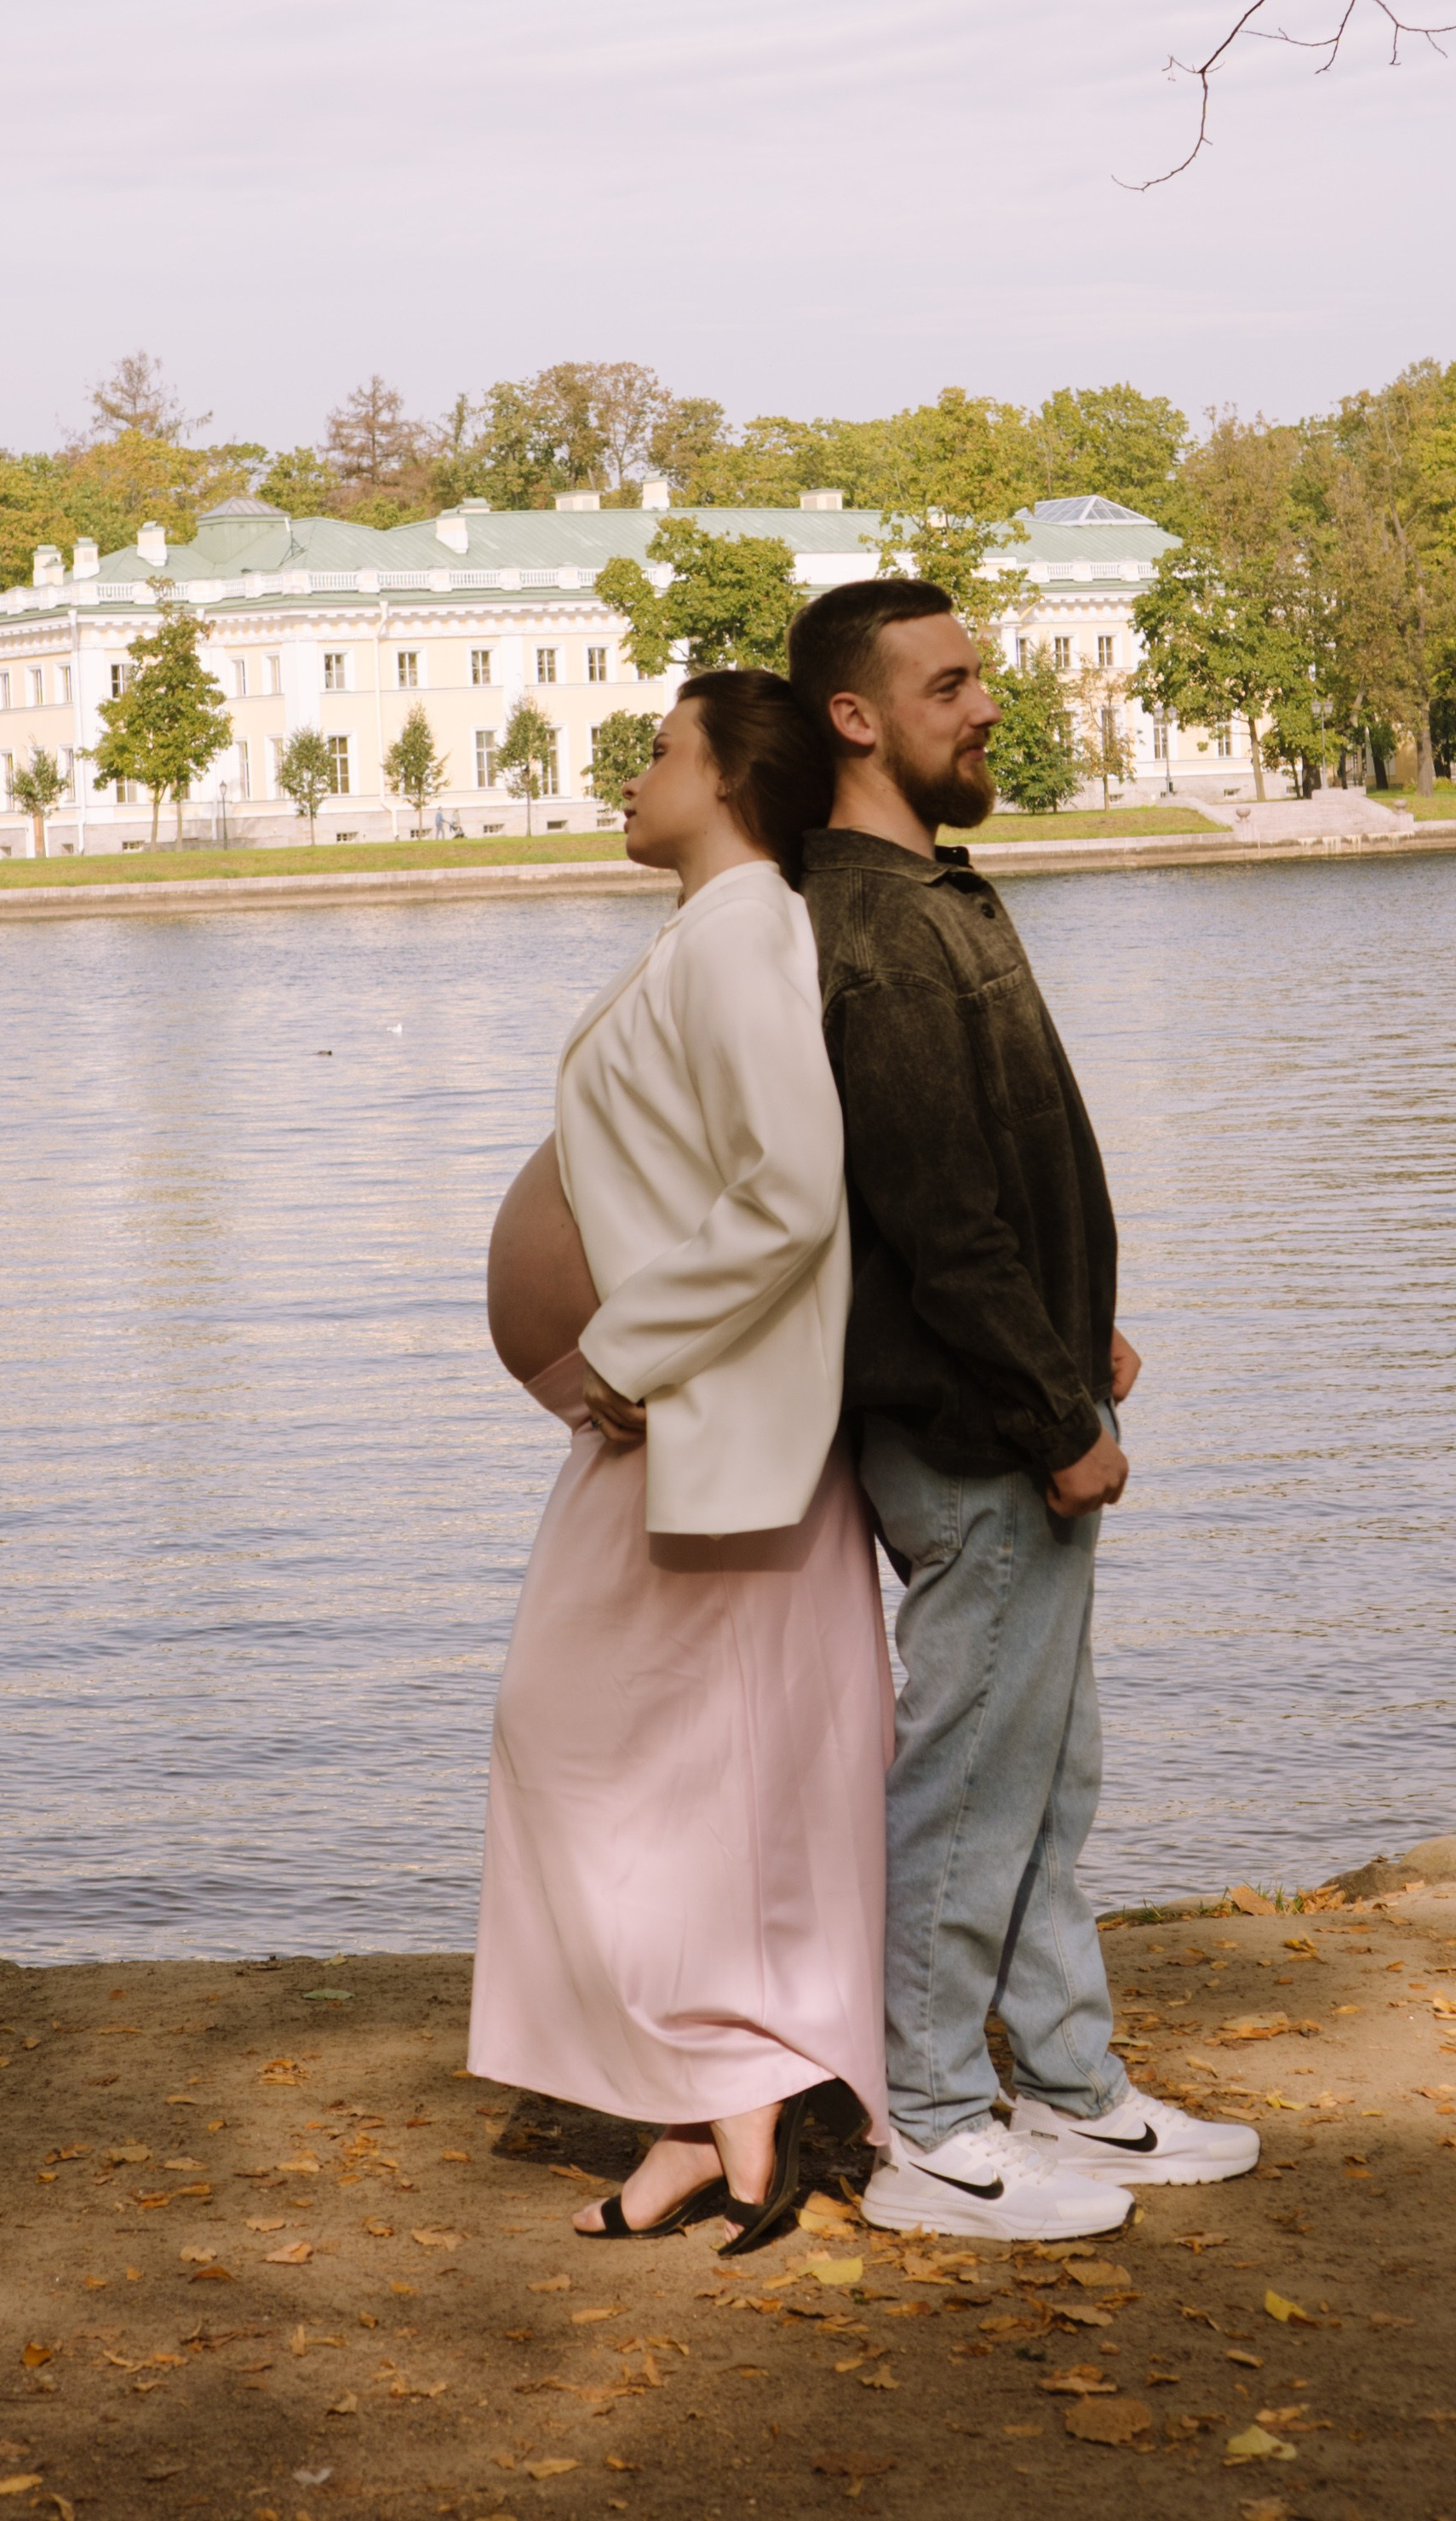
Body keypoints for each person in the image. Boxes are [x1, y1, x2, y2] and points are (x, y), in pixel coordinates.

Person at [788, 577, 1261, 2235]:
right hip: (969, 1434)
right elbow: (935, 1217)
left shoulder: (941, 889)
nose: (985, 704)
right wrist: (1054, 1414)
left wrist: (1083, 1338)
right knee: (969, 1777)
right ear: (855, 716)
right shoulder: (867, 923)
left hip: (1020, 1397)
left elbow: (1002, 1173)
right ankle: (924, 2124)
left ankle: (1066, 2092)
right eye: (950, 682)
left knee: (1046, 1775)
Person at [469, 671, 909, 2254]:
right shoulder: (711, 932)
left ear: (728, 780)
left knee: (626, 1758)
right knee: (660, 1773)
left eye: (660, 748)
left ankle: (745, 2105)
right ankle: (705, 2127)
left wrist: (634, 1352)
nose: (633, 769)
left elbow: (794, 1190)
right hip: (677, 1436)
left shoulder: (744, 935)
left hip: (702, 1430)